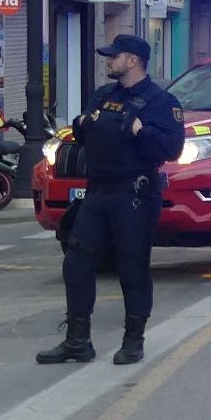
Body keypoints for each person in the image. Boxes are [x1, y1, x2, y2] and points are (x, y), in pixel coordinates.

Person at [37, 35, 184, 367]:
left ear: (132, 61)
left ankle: (133, 339)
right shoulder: (104, 95)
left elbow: (171, 149)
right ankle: (77, 340)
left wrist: (139, 132)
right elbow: (85, 132)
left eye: (113, 57)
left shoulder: (161, 102)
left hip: (134, 194)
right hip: (98, 191)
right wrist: (79, 125)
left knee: (132, 268)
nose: (108, 61)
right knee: (76, 262)